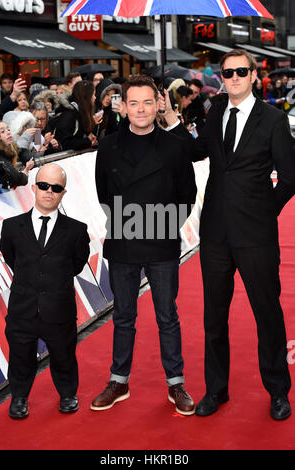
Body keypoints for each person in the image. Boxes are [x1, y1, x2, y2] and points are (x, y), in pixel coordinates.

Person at [161, 48, 295, 420]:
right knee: (213, 317)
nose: (233, 77)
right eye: (227, 72)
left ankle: (278, 392)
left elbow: (290, 177)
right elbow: (197, 151)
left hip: (257, 234)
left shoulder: (272, 119)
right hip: (216, 232)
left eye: (240, 71)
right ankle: (216, 390)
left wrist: (264, 210)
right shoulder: (216, 109)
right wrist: (172, 119)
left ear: (254, 75)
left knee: (267, 314)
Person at [91, 75, 196, 416]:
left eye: (147, 102)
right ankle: (118, 380)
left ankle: (175, 383)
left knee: (168, 316)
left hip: (162, 242)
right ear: (122, 107)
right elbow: (104, 194)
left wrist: (159, 225)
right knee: (123, 317)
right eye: (133, 103)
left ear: (157, 105)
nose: (140, 109)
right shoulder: (107, 146)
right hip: (123, 241)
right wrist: (131, 222)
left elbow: (186, 195)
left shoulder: (176, 146)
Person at [0, 163, 90, 419]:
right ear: (34, 187)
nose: (49, 191)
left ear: (63, 193)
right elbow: (11, 257)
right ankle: (18, 398)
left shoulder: (76, 230)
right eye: (43, 185)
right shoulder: (11, 227)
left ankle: (67, 394)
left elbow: (77, 263)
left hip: (59, 309)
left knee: (64, 356)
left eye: (56, 187)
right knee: (20, 357)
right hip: (22, 309)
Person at [53, 80, 97, 151]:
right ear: (86, 97)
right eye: (93, 94)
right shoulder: (69, 115)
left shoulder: (79, 112)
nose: (95, 98)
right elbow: (65, 144)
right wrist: (87, 141)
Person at [0, 120, 33, 188]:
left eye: (8, 129)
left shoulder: (11, 147)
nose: (8, 132)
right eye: (2, 131)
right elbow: (15, 177)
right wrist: (24, 176)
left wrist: (28, 160)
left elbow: (22, 151)